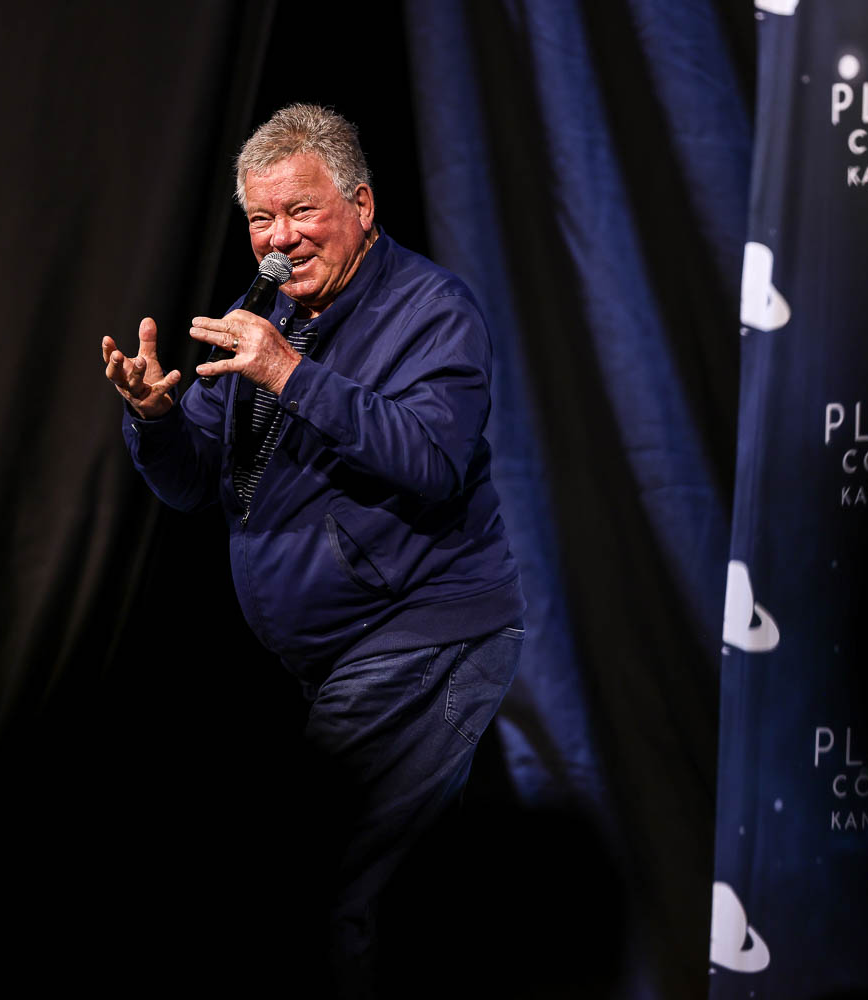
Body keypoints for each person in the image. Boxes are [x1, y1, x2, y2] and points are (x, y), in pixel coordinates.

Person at [101, 104, 524, 994]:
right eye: (261, 219)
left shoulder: (432, 310)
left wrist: (288, 373)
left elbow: (434, 459)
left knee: (328, 888)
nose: (279, 240)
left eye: (301, 211)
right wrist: (155, 420)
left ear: (361, 206)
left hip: (422, 634)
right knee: (394, 900)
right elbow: (193, 483)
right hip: (341, 655)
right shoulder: (261, 313)